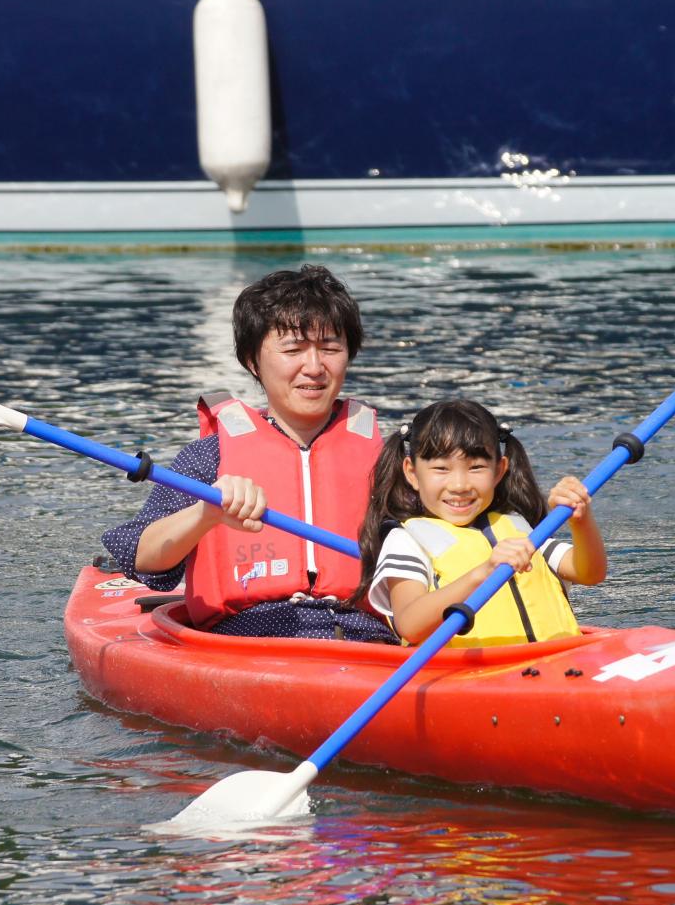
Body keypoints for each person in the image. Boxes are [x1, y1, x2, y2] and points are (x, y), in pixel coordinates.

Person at [102, 265, 396, 642]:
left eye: (330, 348)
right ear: (252, 361)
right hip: (248, 637)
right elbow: (142, 556)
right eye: (292, 349)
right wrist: (207, 514)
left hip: (365, 638)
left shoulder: (392, 461)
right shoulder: (209, 456)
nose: (315, 367)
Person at [355, 399, 607, 647]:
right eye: (441, 469)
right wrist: (483, 572)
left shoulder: (518, 528)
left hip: (556, 663)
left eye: (476, 467)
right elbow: (409, 624)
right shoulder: (406, 540)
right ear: (412, 473)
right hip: (468, 677)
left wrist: (581, 522)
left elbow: (590, 573)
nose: (459, 485)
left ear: (499, 471)